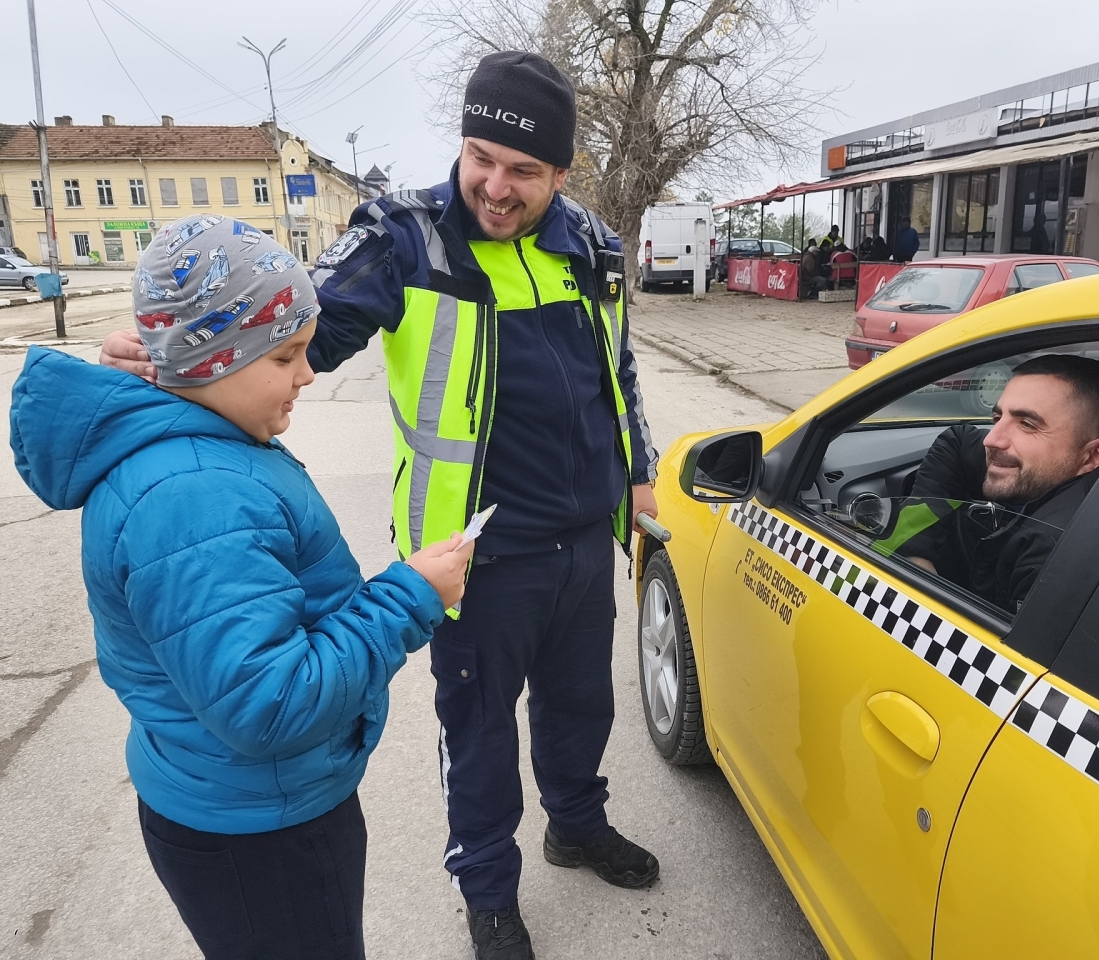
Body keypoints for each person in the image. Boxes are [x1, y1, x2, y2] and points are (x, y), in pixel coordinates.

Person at [102, 51, 659, 960]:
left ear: (561, 173)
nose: (496, 186)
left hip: (582, 541)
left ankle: (577, 823)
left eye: (523, 170)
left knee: (580, 705)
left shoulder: (593, 244)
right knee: (478, 734)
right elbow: (287, 335)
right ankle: (487, 887)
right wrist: (177, 357)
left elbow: (619, 368)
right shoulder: (404, 238)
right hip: (472, 556)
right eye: (481, 157)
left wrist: (639, 470)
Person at [11, 216, 472, 959]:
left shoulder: (199, 441)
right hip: (262, 833)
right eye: (286, 355)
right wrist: (411, 595)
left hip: (244, 804)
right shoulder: (194, 494)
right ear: (210, 358)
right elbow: (271, 702)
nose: (308, 375)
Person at [889, 354, 1099, 613]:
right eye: (997, 418)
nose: (991, 440)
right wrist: (917, 554)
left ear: (1093, 456)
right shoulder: (1041, 466)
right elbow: (957, 440)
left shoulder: (1056, 557)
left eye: (1026, 424)